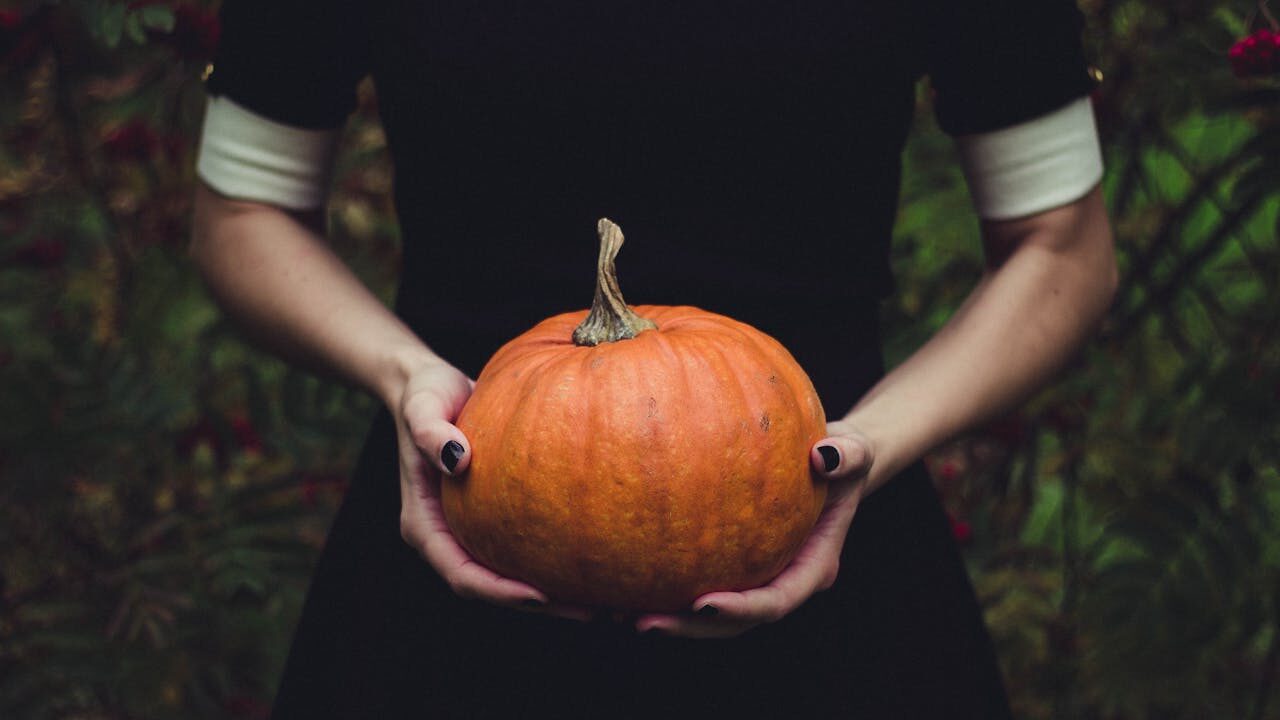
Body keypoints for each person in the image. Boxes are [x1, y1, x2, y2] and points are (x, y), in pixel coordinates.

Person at [190, 0, 1116, 717]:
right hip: (458, 515)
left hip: (823, 524)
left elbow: (1063, 244)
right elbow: (243, 214)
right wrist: (403, 377)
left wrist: (870, 442)